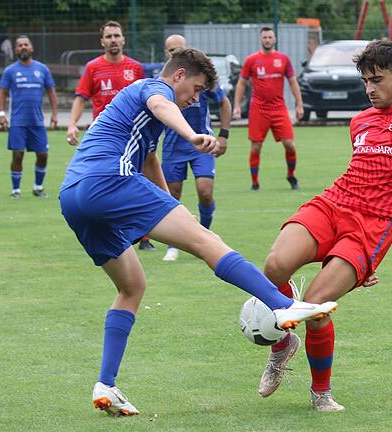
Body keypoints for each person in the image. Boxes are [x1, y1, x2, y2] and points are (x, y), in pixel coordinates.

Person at [58, 48, 339, 417]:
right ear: (178, 76)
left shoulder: (137, 111)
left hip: (73, 196)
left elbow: (149, 158)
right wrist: (192, 134)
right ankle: (283, 304)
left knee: (132, 287)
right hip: (109, 181)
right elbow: (162, 106)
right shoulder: (152, 88)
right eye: (196, 87)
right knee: (208, 242)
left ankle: (105, 384)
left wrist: (171, 205)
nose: (195, 97)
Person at [254, 40, 392, 412]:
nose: (370, 88)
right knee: (274, 265)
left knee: (315, 306)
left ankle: (320, 393)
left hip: (372, 227)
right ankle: (281, 346)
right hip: (333, 203)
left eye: (377, 79)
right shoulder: (360, 120)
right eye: (365, 81)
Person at [66, 20, 152, 249]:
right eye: (109, 36)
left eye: (117, 35)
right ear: (102, 41)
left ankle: (144, 236)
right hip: (104, 140)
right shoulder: (93, 68)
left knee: (138, 179)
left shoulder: (135, 68)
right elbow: (81, 98)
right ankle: (115, 232)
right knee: (109, 184)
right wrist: (72, 124)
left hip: (133, 137)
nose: (113, 40)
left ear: (124, 39)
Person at [159, 35, 232, 262]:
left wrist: (224, 136)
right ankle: (173, 245)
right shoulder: (161, 85)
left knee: (205, 191)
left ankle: (204, 235)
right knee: (172, 195)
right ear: (166, 53)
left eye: (178, 49)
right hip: (172, 147)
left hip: (202, 144)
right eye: (171, 50)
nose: (174, 53)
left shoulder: (200, 79)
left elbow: (224, 103)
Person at [233, 26, 303, 191]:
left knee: (290, 145)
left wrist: (299, 104)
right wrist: (236, 106)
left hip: (279, 108)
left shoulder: (283, 59)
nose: (267, 40)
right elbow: (241, 83)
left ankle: (291, 176)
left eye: (270, 37)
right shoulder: (252, 60)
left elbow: (293, 81)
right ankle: (255, 182)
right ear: (260, 39)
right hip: (258, 108)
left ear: (274, 39)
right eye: (264, 37)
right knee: (256, 146)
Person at [0, 35, 57, 199]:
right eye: (19, 45)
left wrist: (54, 114)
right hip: (18, 122)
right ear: (16, 50)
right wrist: (1, 114)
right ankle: (16, 190)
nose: (23, 47)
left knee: (43, 155)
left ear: (31, 48)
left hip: (37, 122)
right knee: (18, 154)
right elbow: (2, 93)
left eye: (26, 45)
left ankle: (38, 187)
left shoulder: (42, 69)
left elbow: (51, 92)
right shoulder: (10, 71)